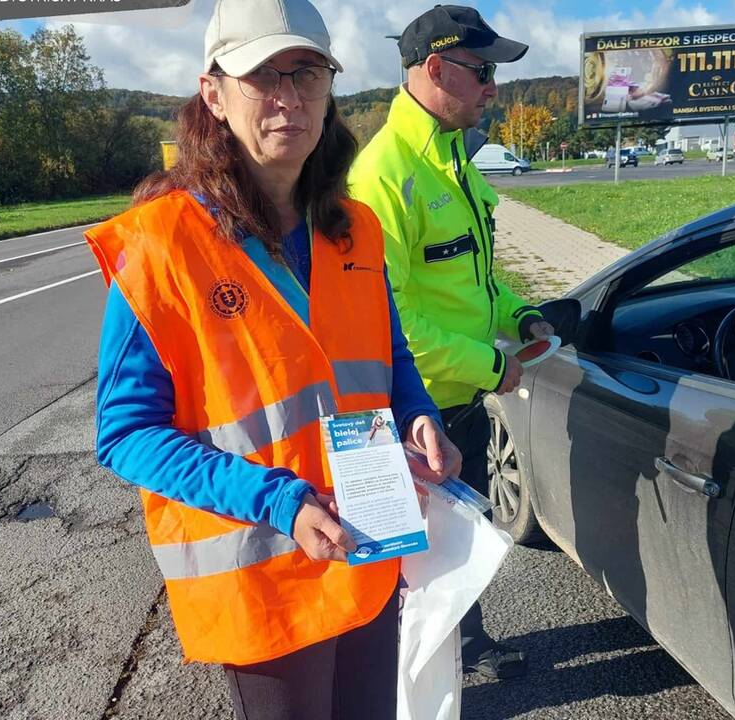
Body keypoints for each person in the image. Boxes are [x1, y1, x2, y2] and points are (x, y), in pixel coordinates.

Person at [86, 0, 460, 718]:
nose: (288, 97)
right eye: (262, 75)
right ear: (214, 95)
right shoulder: (161, 245)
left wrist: (418, 418)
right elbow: (126, 434)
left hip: (369, 551)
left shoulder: (357, 229)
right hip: (263, 583)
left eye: (307, 72)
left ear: (329, 90)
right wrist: (278, 501)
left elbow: (390, 357)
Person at [349, 4, 554, 680]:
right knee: (405, 570)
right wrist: (493, 365)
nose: (494, 87)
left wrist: (521, 315)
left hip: (458, 400)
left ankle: (464, 649)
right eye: (483, 70)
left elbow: (476, 280)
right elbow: (392, 320)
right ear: (435, 68)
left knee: (454, 548)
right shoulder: (386, 173)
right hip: (409, 417)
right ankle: (410, 681)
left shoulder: (452, 158)